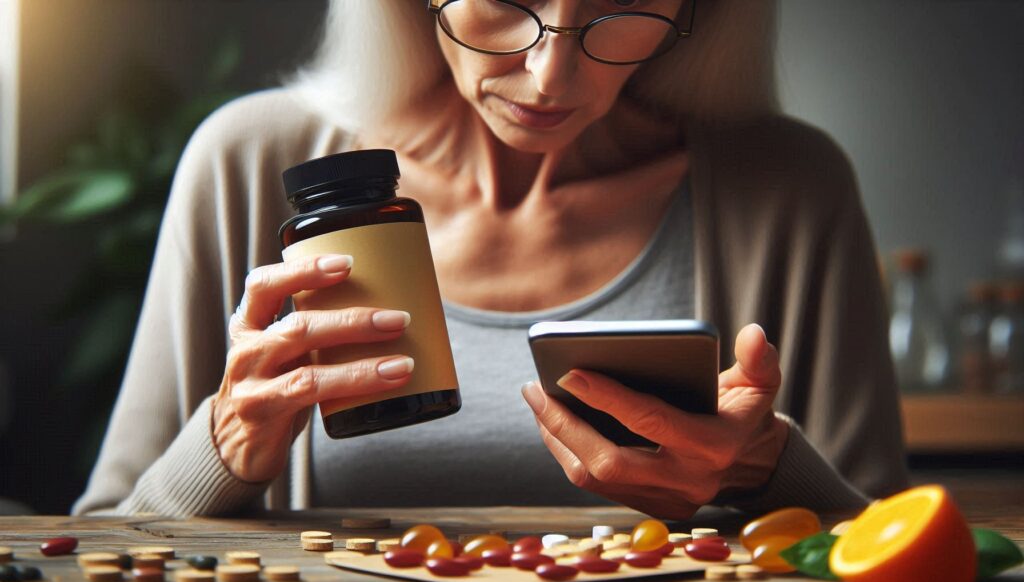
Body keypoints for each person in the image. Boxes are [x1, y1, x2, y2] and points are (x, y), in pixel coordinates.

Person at [74, 0, 909, 517]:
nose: (553, 75)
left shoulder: (791, 188)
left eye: (623, 4)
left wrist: (765, 469)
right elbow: (105, 540)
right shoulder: (248, 167)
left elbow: (905, 548)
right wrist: (221, 452)